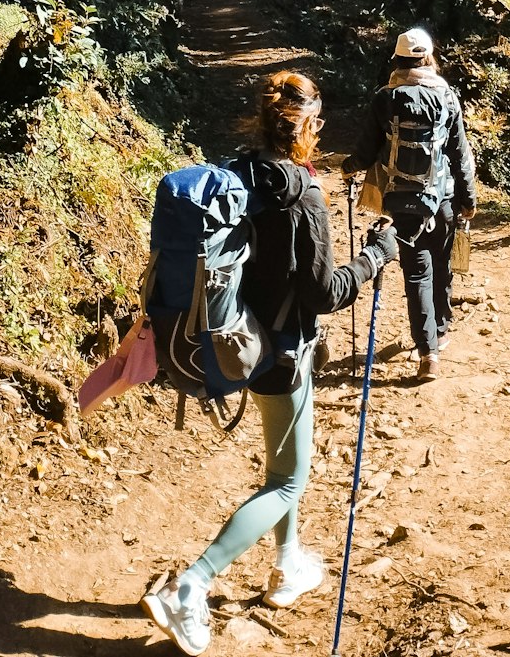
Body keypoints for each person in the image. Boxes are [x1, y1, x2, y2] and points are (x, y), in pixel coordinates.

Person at [142, 71, 398, 656]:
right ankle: (194, 583)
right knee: (287, 481)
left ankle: (287, 565)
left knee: (283, 467)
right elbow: (325, 293)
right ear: (307, 126)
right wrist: (375, 257)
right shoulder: (302, 192)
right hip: (282, 349)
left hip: (238, 336)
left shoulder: (238, 172)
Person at [342, 27, 476, 384]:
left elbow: (367, 150)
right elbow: (460, 153)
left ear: (398, 60)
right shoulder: (447, 96)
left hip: (402, 201)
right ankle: (442, 328)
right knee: (442, 262)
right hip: (443, 197)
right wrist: (468, 198)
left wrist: (347, 166)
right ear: (429, 58)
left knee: (417, 273)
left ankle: (428, 353)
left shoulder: (385, 98)